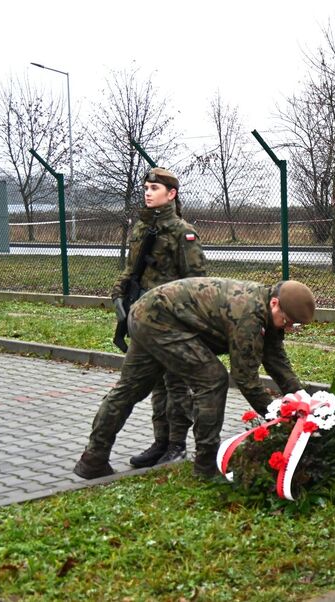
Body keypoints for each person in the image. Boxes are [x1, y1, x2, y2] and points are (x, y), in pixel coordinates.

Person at [74, 278, 316, 480]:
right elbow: (245, 378)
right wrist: (278, 415)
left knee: (128, 390)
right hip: (159, 320)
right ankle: (206, 465)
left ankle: (92, 460)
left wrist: (301, 397)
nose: (289, 327)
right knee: (212, 380)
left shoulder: (264, 307)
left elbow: (274, 356)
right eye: (287, 321)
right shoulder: (249, 314)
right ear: (275, 303)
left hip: (149, 313)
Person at [111, 167, 207, 469]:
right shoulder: (141, 228)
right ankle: (160, 442)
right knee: (157, 386)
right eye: (146, 188)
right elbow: (132, 268)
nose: (148, 192)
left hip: (173, 321)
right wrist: (120, 290)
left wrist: (188, 321)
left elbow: (196, 281)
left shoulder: (183, 232)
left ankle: (177, 445)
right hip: (145, 317)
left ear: (172, 194)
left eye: (154, 188)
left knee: (175, 383)